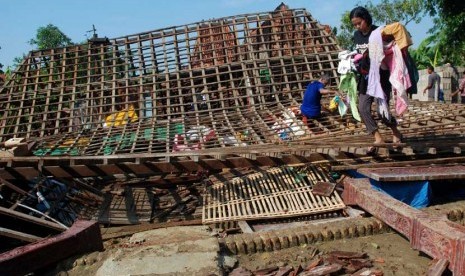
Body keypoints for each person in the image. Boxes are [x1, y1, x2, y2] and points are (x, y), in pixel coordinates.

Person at [349, 7, 402, 152]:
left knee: (382, 111)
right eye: (354, 24)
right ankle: (378, 138)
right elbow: (359, 54)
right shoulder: (356, 35)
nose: (357, 27)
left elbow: (393, 48)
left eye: (359, 23)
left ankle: (396, 132)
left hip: (381, 77)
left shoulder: (380, 32)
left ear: (366, 19)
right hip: (365, 77)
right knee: (363, 108)